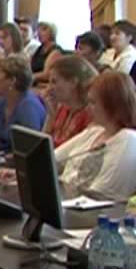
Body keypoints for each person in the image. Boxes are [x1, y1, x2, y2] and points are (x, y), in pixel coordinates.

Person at [55, 72, 136, 201]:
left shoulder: (128, 140)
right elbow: (53, 158)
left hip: (87, 209)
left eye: (93, 103)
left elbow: (100, 193)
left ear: (112, 106)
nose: (87, 108)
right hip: (66, 200)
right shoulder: (94, 132)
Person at [42, 55, 96, 147]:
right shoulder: (62, 108)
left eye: (54, 82)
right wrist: (51, 116)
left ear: (73, 82)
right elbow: (41, 146)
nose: (49, 88)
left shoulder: (90, 115)